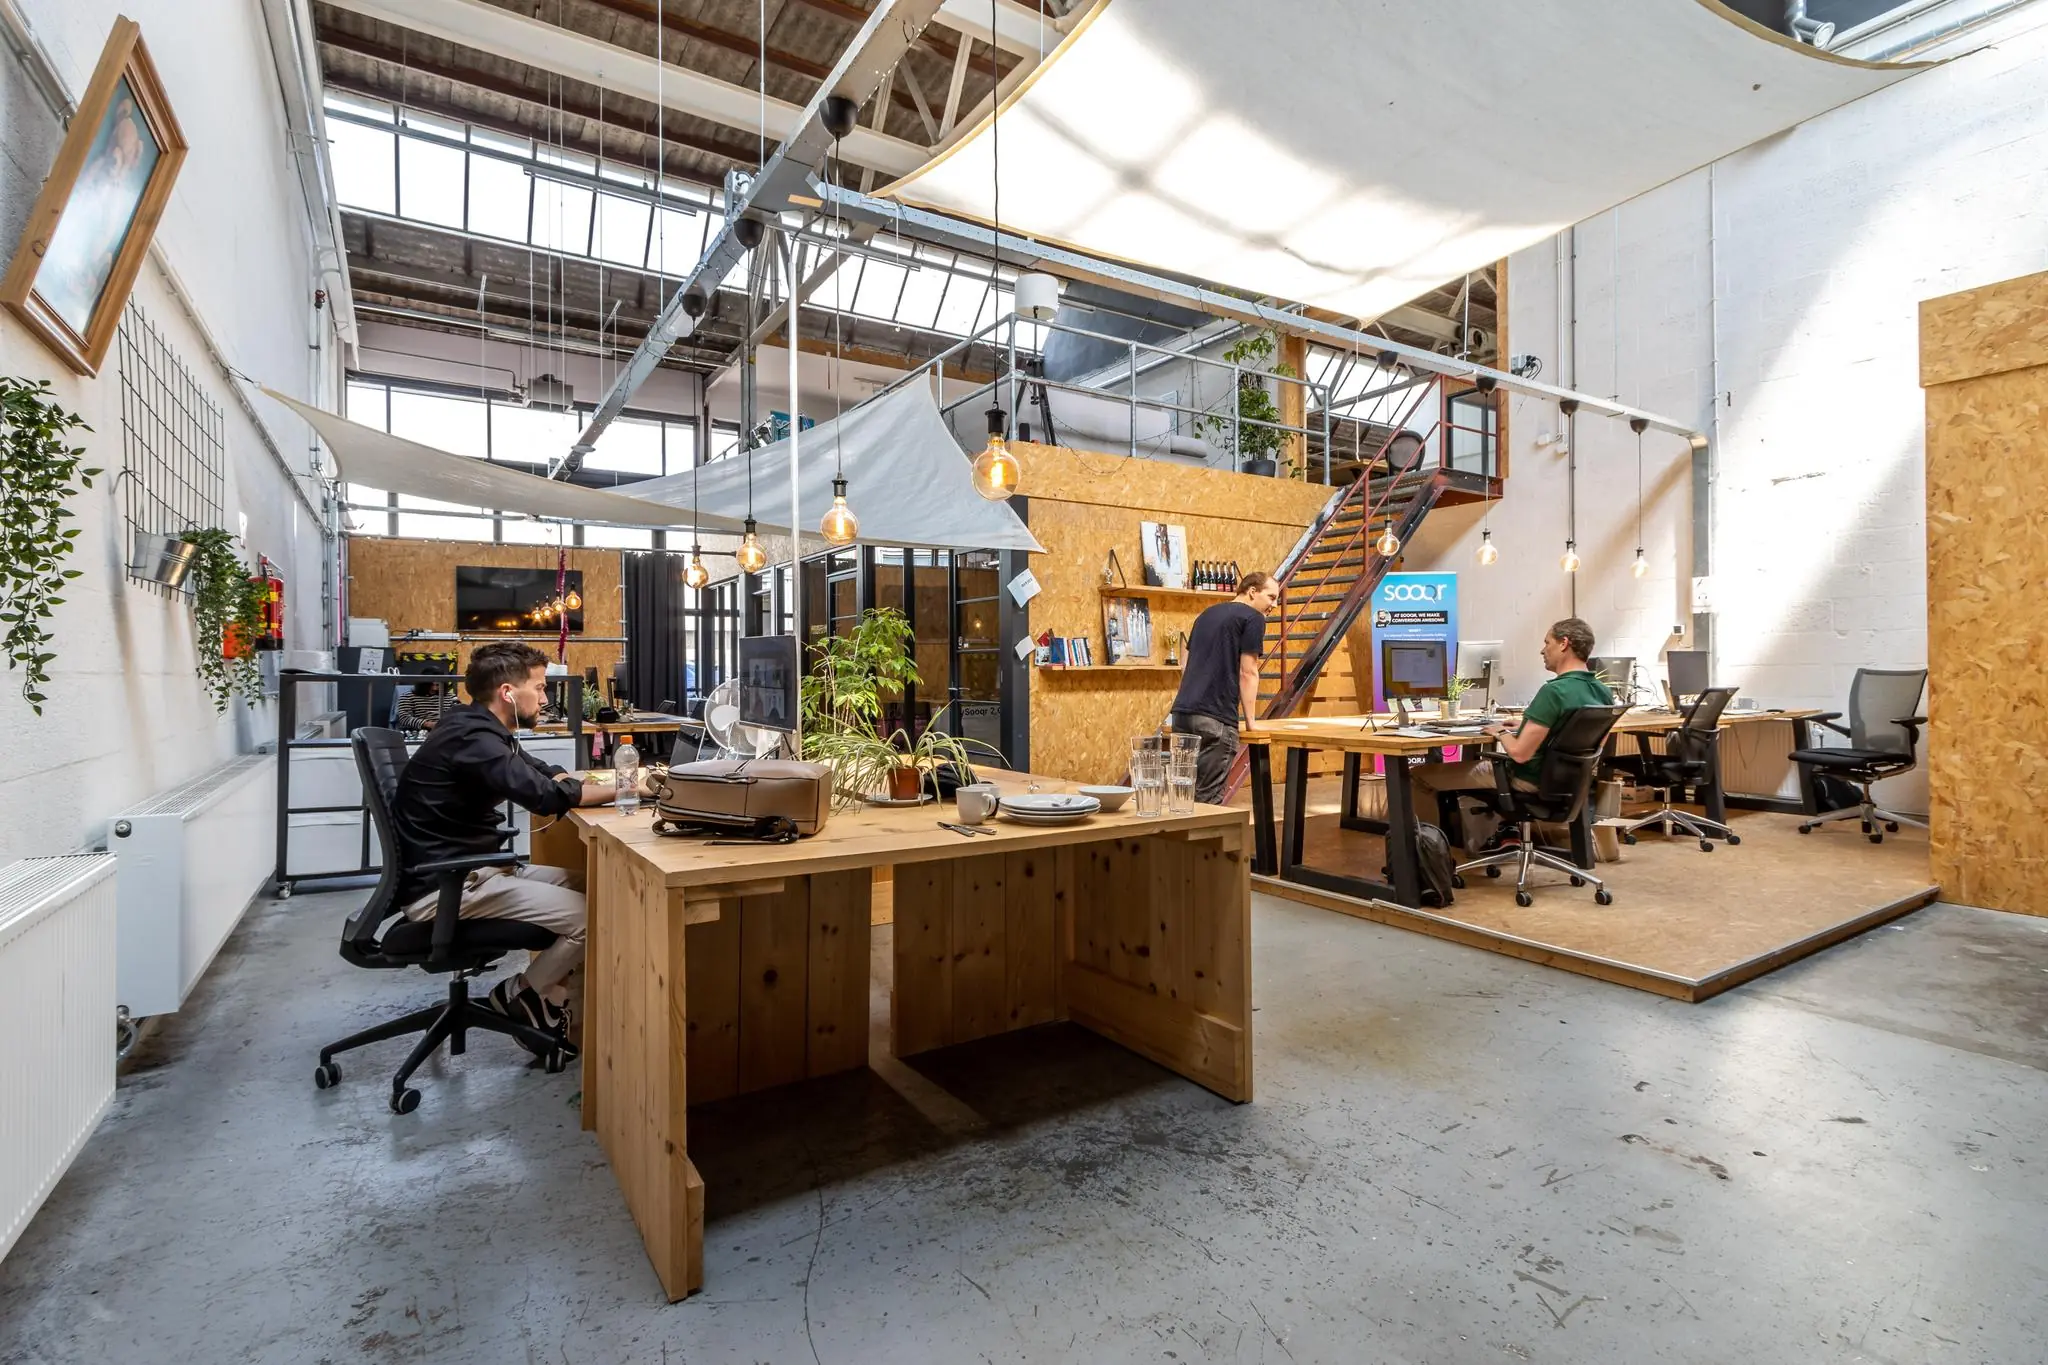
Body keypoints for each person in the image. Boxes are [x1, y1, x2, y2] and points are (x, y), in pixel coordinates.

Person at [390, 642, 625, 1052]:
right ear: (508, 693)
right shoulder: (473, 739)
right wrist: (632, 788)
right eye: (540, 687)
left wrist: (574, 780)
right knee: (595, 916)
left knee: (598, 887)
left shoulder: (477, 728)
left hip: (472, 869)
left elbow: (543, 773)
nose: (545, 699)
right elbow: (545, 797)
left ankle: (552, 999)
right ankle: (523, 993)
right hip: (449, 884)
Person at [1409, 617, 1613, 848]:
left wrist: (1500, 732)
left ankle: (1426, 854)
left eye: (1547, 643)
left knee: (1418, 776)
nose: (1542, 650)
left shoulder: (1554, 692)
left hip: (1527, 779)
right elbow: (1591, 743)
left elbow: (1519, 754)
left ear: (1564, 643)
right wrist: (1529, 726)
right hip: (1570, 782)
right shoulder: (1603, 692)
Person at [1169, 570, 1281, 803]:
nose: (1275, 605)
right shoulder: (1253, 618)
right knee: (1207, 801)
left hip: (1183, 715)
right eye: (1271, 597)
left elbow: (1185, 665)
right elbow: (1248, 671)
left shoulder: (1206, 615)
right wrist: (1251, 723)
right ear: (1252, 591)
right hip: (1215, 720)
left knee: (1182, 798)